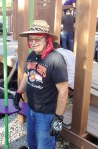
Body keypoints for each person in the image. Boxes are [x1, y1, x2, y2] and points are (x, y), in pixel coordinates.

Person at [13, 20, 68, 149]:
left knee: (44, 146)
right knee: (32, 143)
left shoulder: (55, 59)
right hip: (31, 108)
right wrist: (19, 92)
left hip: (47, 114)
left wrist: (58, 117)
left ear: (47, 39)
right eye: (30, 39)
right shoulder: (32, 55)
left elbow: (63, 91)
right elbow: (27, 75)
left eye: (37, 39)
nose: (33, 42)